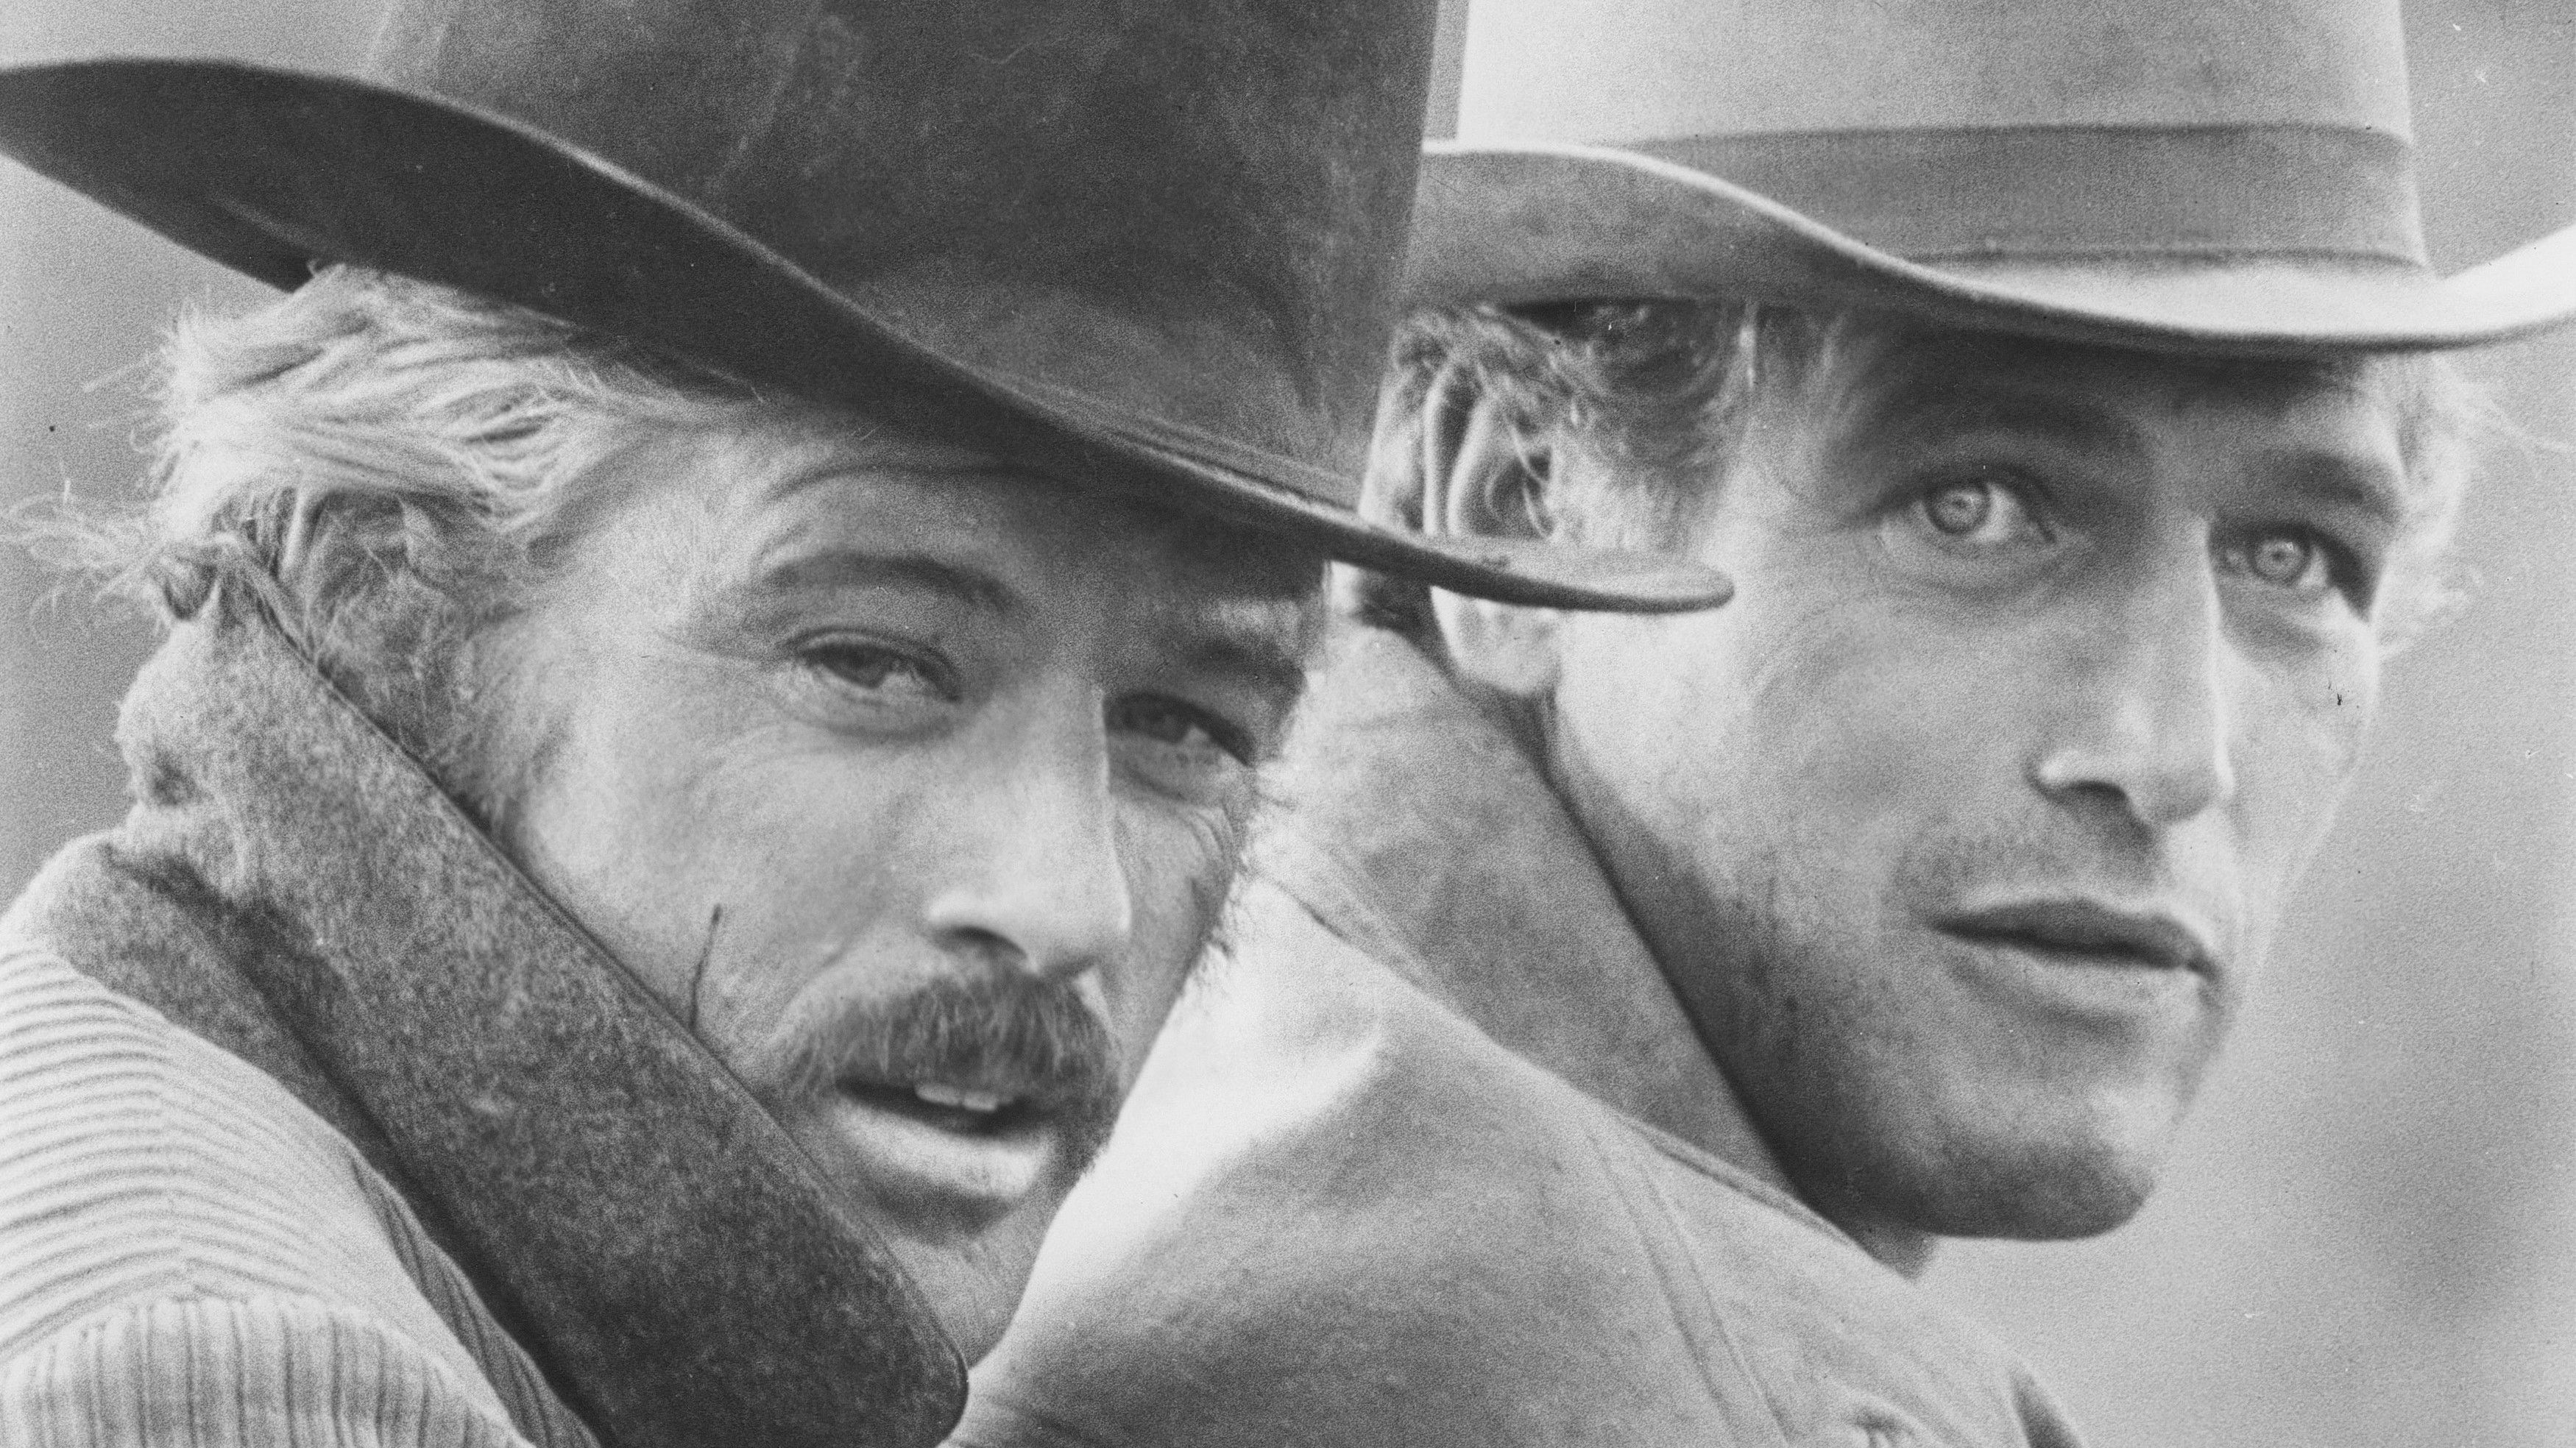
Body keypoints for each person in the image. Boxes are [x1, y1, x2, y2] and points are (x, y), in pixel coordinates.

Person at [0, 2, 1727, 1444]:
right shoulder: (229, 1382)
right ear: (384, 588)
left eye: (1185, 723)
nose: (1068, 904)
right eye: (878, 663)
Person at [954, 1, 2576, 1444]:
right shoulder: (1527, 1362)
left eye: (2291, 556)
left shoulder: (1235, 1074)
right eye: (1977, 507)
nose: (2169, 754)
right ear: (1508, 508)